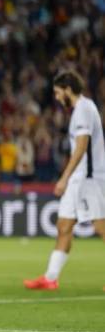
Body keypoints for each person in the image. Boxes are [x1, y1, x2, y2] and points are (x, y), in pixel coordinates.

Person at [24, 70, 105, 290]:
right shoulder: (80, 109)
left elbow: (81, 147)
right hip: (79, 178)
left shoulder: (84, 109)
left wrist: (63, 178)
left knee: (101, 227)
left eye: (59, 93)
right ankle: (50, 278)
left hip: (89, 178)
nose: (58, 98)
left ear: (69, 89)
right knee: (64, 226)